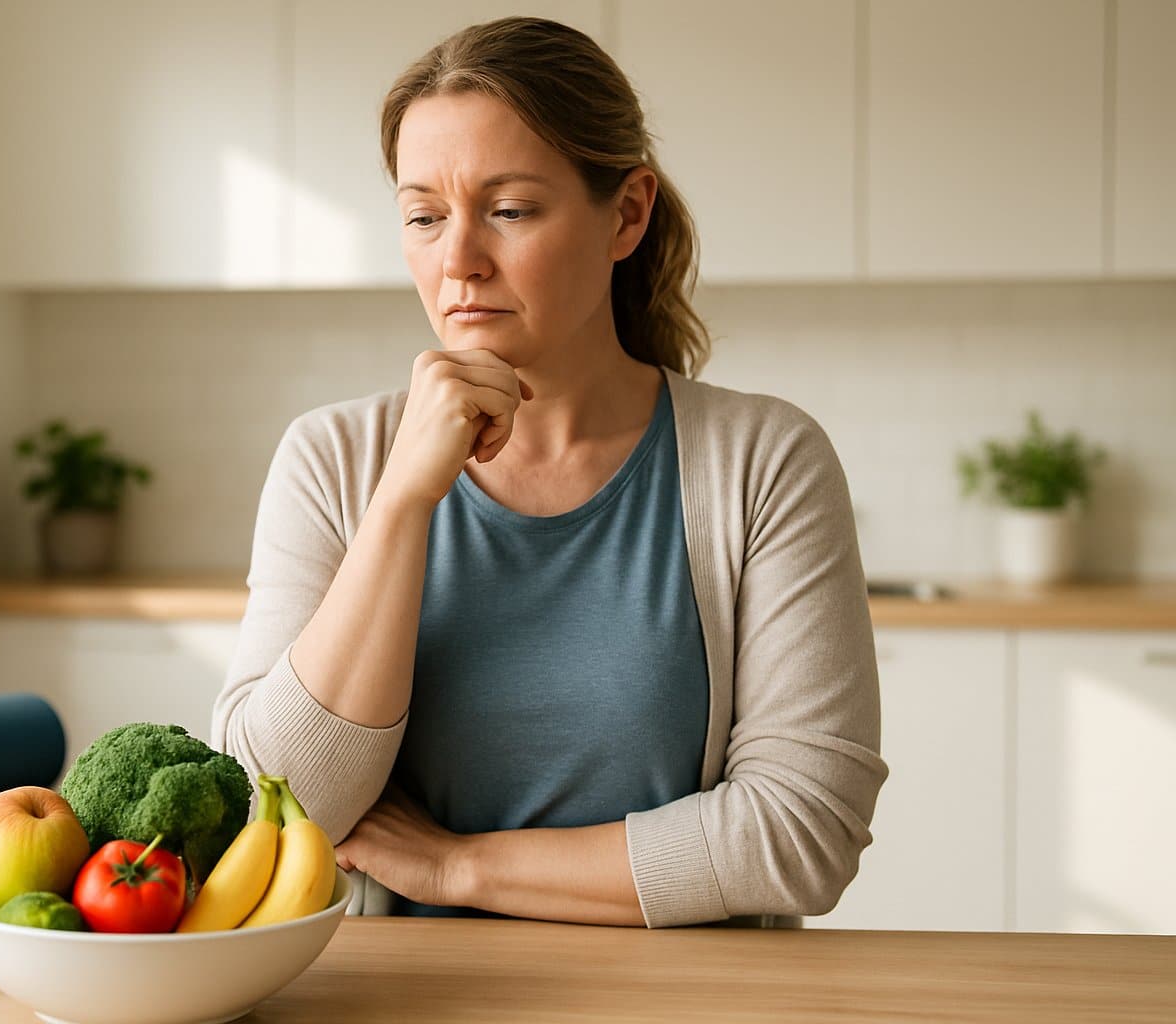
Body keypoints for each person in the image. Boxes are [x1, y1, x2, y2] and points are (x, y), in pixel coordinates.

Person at [212, 16, 887, 928]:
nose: (458, 263)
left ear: (628, 213)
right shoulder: (334, 461)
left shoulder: (763, 462)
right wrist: (405, 500)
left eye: (510, 210)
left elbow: (801, 836)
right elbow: (271, 810)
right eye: (423, 217)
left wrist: (458, 869)